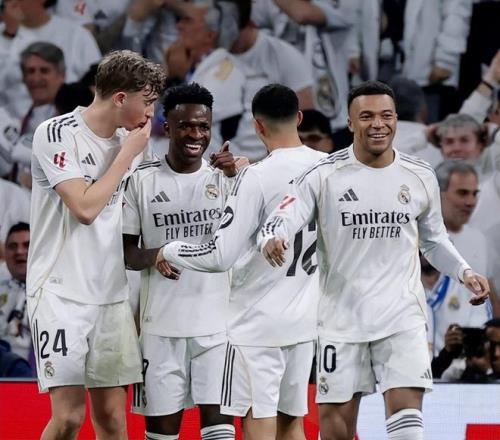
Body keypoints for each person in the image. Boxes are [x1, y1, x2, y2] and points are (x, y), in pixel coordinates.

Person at [258, 80, 490, 440]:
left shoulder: (419, 175)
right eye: (366, 116)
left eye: (386, 115)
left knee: (407, 427)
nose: (378, 124)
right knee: (336, 433)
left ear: (396, 119)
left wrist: (464, 271)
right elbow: (283, 215)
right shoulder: (324, 175)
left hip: (402, 316)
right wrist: (272, 237)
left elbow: (434, 240)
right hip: (341, 320)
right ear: (350, 123)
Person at [158, 84, 327, 440]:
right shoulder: (327, 168)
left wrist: (169, 250)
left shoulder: (257, 177)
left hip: (256, 326)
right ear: (298, 118)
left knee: (258, 420)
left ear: (257, 126)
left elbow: (219, 256)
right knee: (292, 423)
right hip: (304, 320)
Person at [27, 50, 166, 440]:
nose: (151, 113)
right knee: (69, 417)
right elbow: (85, 208)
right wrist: (125, 154)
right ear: (120, 98)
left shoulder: (134, 144)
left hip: (111, 295)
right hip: (59, 294)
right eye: (147, 102)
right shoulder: (56, 133)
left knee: (112, 418)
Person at [123, 83, 238, 440]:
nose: (195, 134)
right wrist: (157, 254)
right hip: (160, 329)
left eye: (203, 127)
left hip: (217, 327)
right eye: (185, 125)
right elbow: (127, 254)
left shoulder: (225, 179)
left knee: (220, 432)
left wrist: (237, 177)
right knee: (161, 434)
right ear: (167, 127)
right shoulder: (141, 181)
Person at [0, 222, 32, 364]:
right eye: (12, 246)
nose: (19, 251)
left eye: (27, 245)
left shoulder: (56, 294)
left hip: (38, 372)